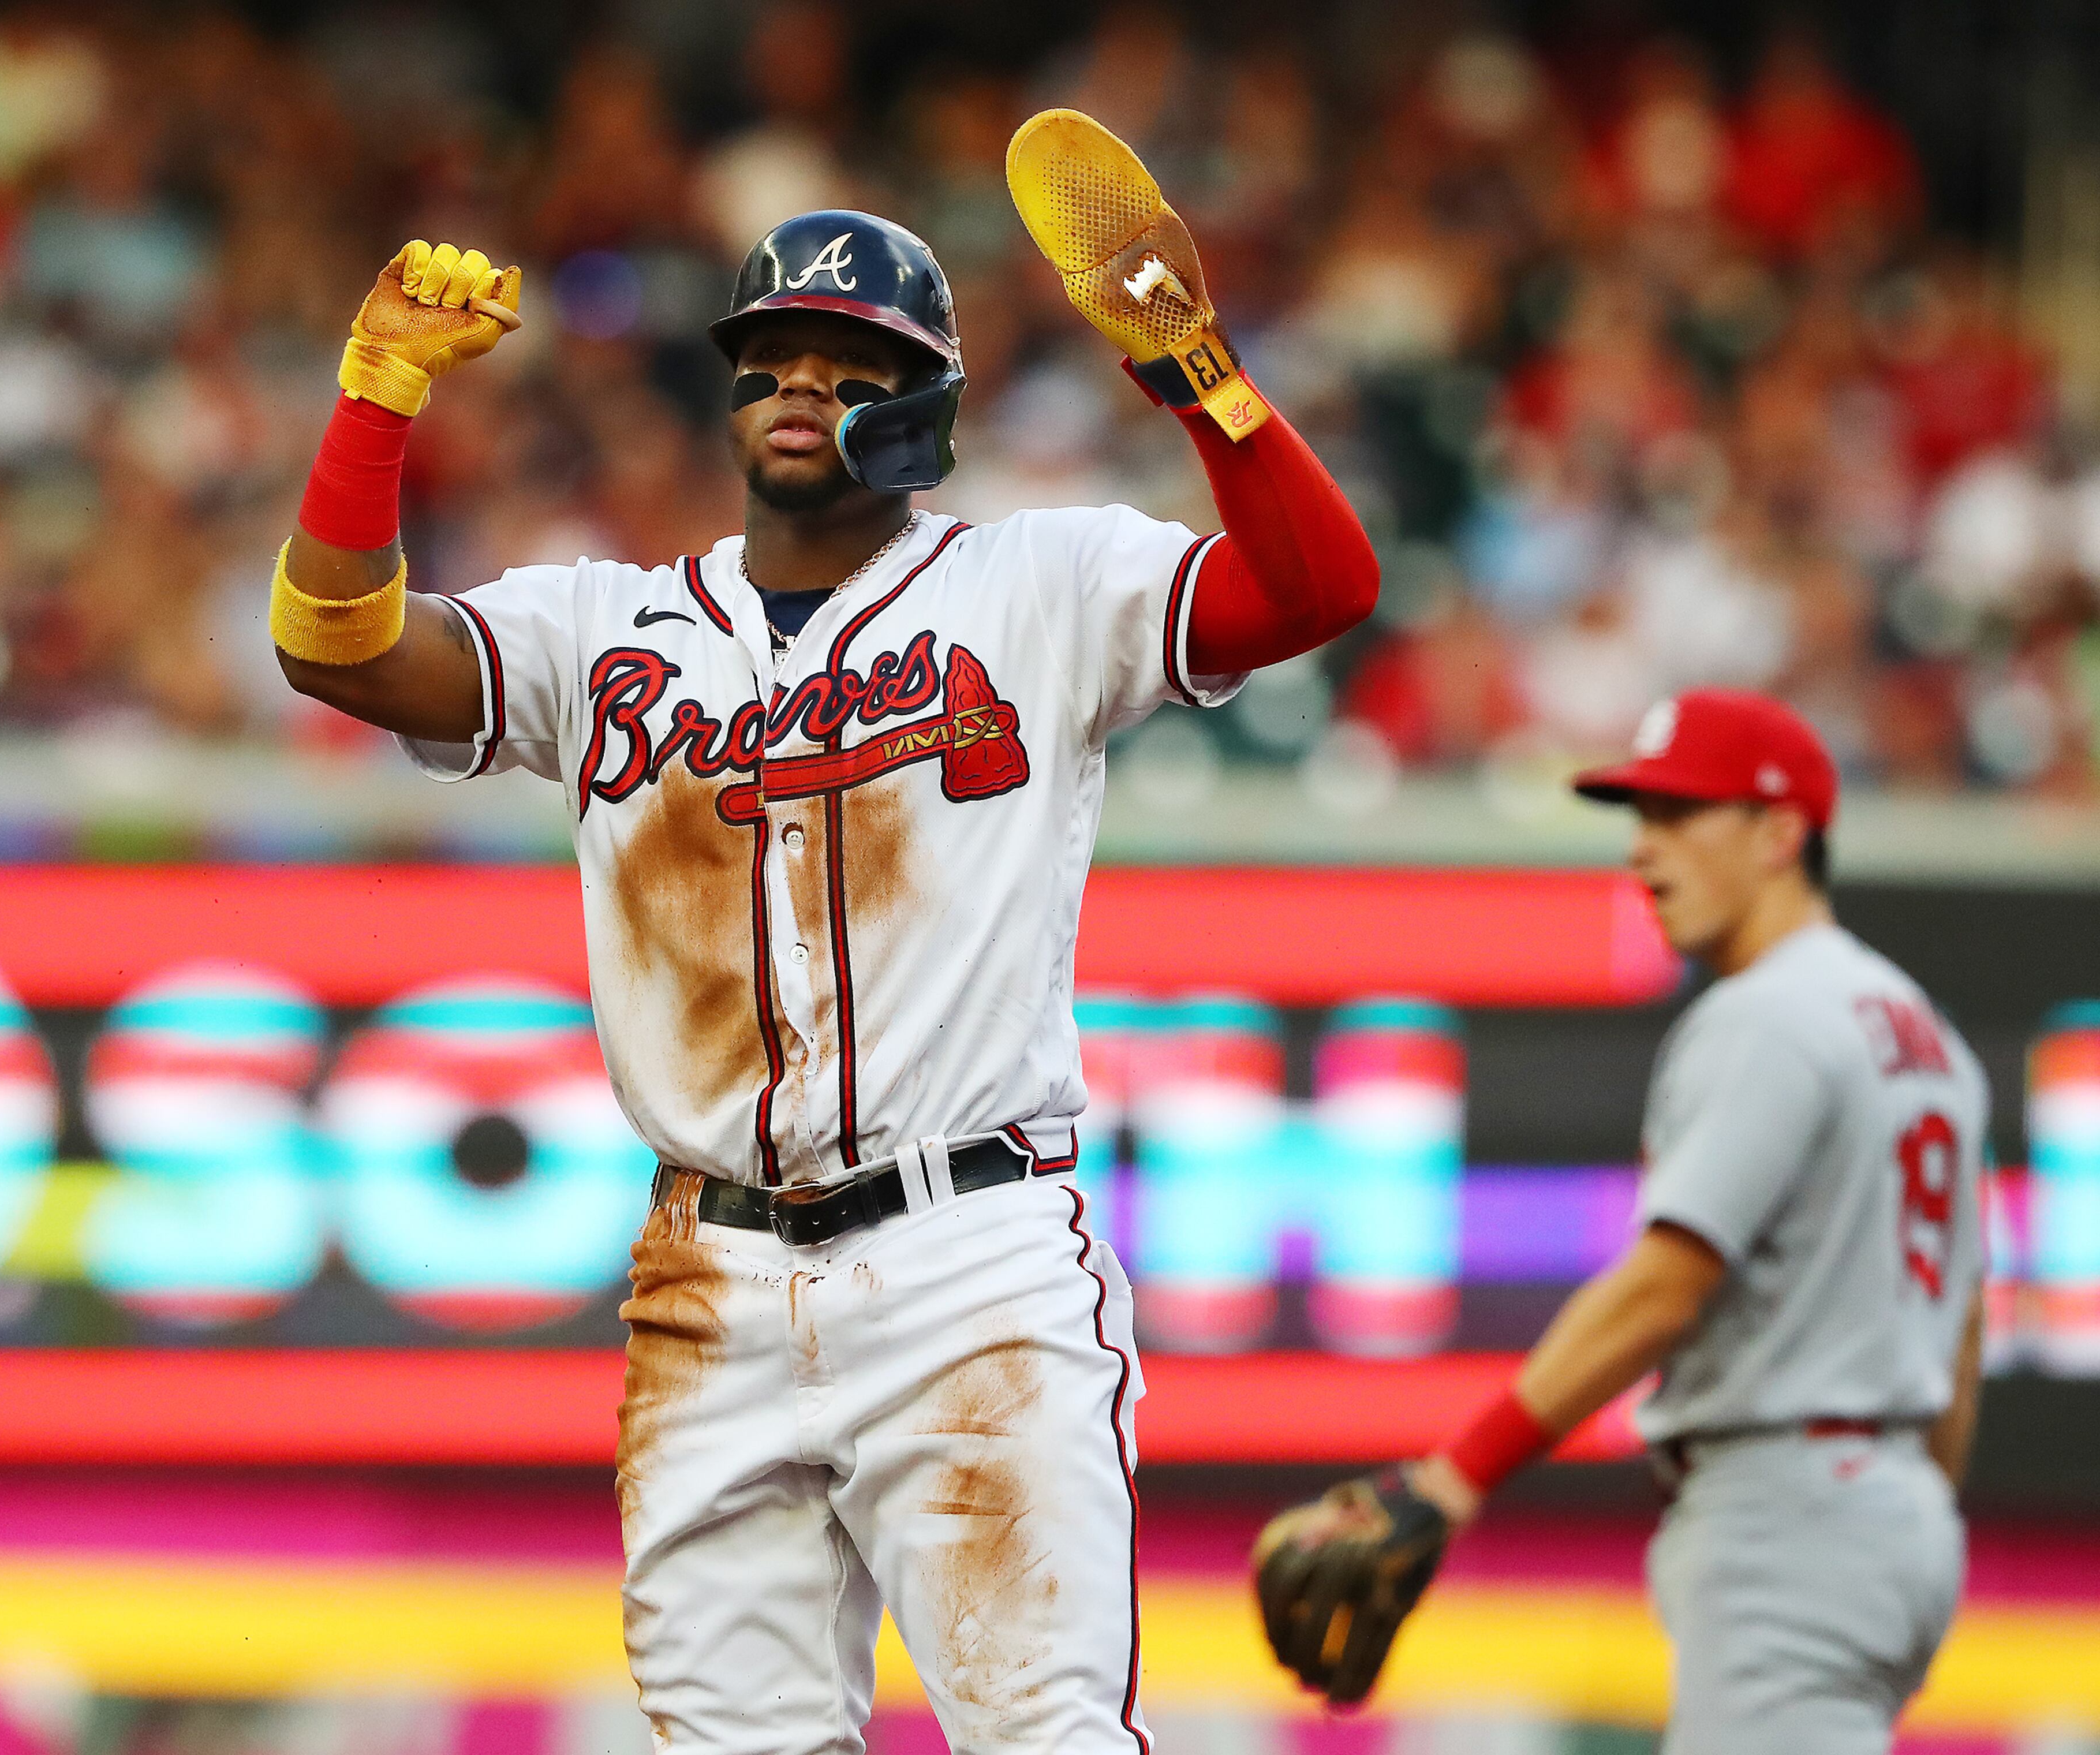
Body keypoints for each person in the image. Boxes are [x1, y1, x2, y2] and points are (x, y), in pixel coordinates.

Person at [271, 196, 1377, 1752]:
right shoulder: (608, 627)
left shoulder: (1041, 588)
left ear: (927, 401)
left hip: (967, 1254)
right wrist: (378, 401)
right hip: (707, 1277)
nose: (803, 387)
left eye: (851, 364)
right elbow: (336, 646)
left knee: (1043, 1733)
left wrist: (1199, 375)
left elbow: (1319, 591)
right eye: (774, 357)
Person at [1257, 689, 1989, 1753]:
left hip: (1789, 1509)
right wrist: (1908, 1515)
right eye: (1639, 820)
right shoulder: (1926, 1035)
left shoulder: (1767, 1015)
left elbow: (1665, 1284)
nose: (1644, 853)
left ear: (1783, 833)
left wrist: (1454, 1475)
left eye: (1680, 817)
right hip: (1893, 1510)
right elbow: (1960, 1321)